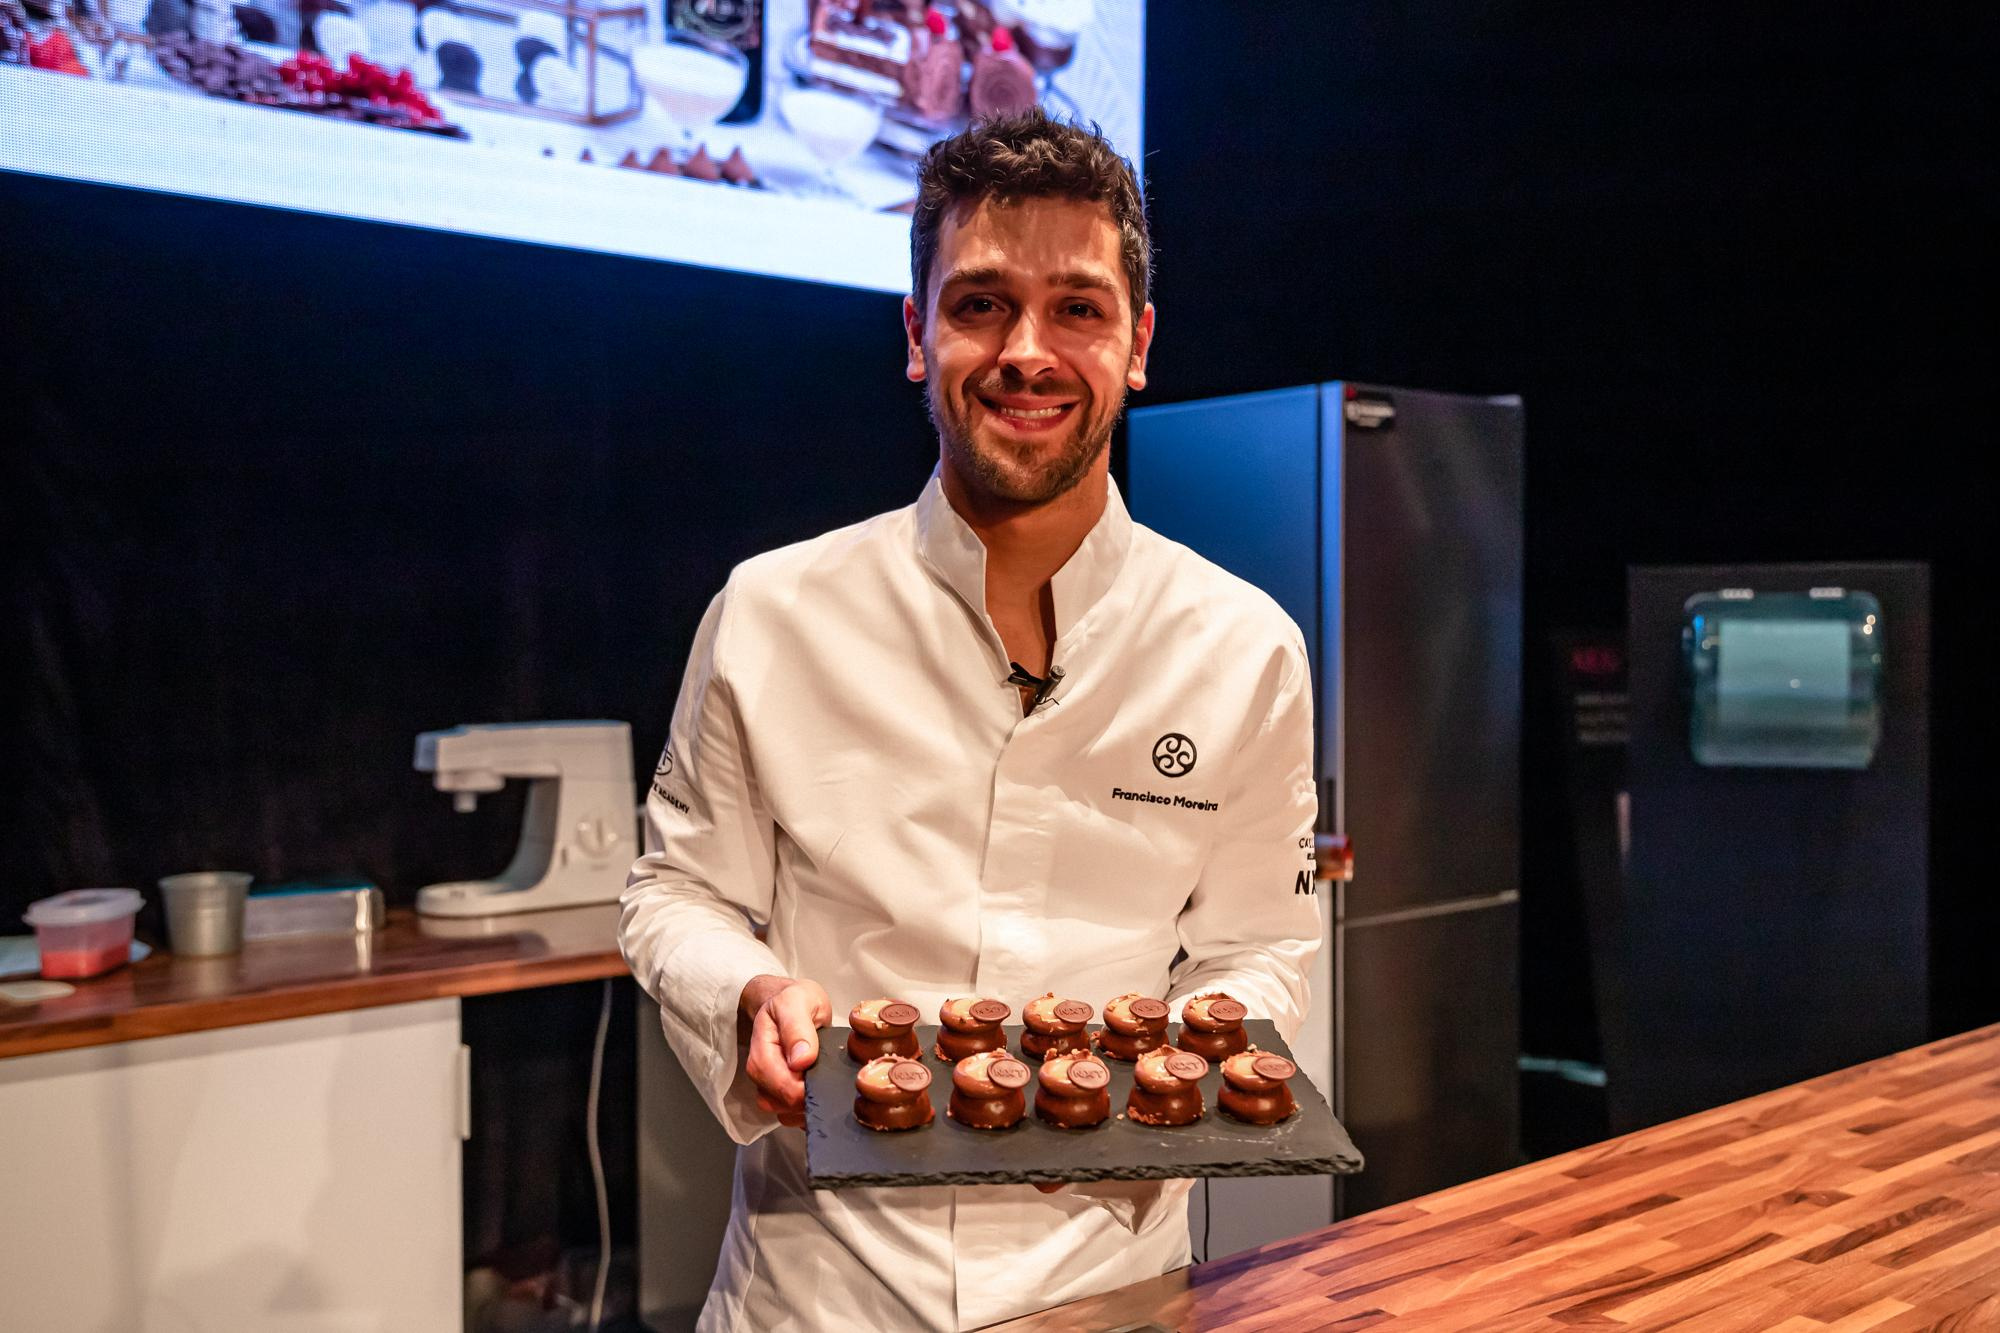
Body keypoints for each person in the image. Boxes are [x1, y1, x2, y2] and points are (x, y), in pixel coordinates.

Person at [620, 108, 1320, 1332]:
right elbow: (674, 894)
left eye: (1078, 309)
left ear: (1138, 343)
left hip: (1106, 1276)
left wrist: (1162, 1081)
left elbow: (1259, 947)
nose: (1026, 352)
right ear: (914, 332)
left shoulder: (1243, 646)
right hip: (819, 1280)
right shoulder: (772, 611)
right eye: (981, 303)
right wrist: (745, 992)